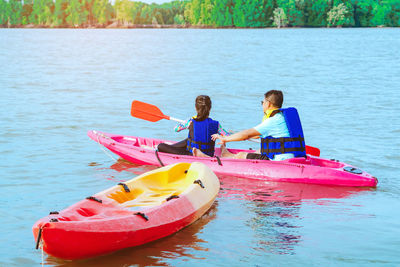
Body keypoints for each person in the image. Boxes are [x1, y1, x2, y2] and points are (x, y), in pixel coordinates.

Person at [211, 90, 306, 161]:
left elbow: (247, 134)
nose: (262, 104)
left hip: (280, 160)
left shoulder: (272, 121)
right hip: (291, 156)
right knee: (258, 150)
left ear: (268, 104)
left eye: (262, 102)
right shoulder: (282, 118)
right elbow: (255, 135)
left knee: (241, 155)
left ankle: (226, 155)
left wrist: (225, 139)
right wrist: (237, 135)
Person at [157, 95, 230, 157]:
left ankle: (170, 147)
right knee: (188, 140)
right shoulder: (216, 124)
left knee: (160, 146)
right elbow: (227, 136)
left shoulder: (190, 121)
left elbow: (176, 129)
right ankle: (172, 147)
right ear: (210, 108)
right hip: (209, 154)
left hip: (192, 154)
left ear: (196, 107)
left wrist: (186, 122)